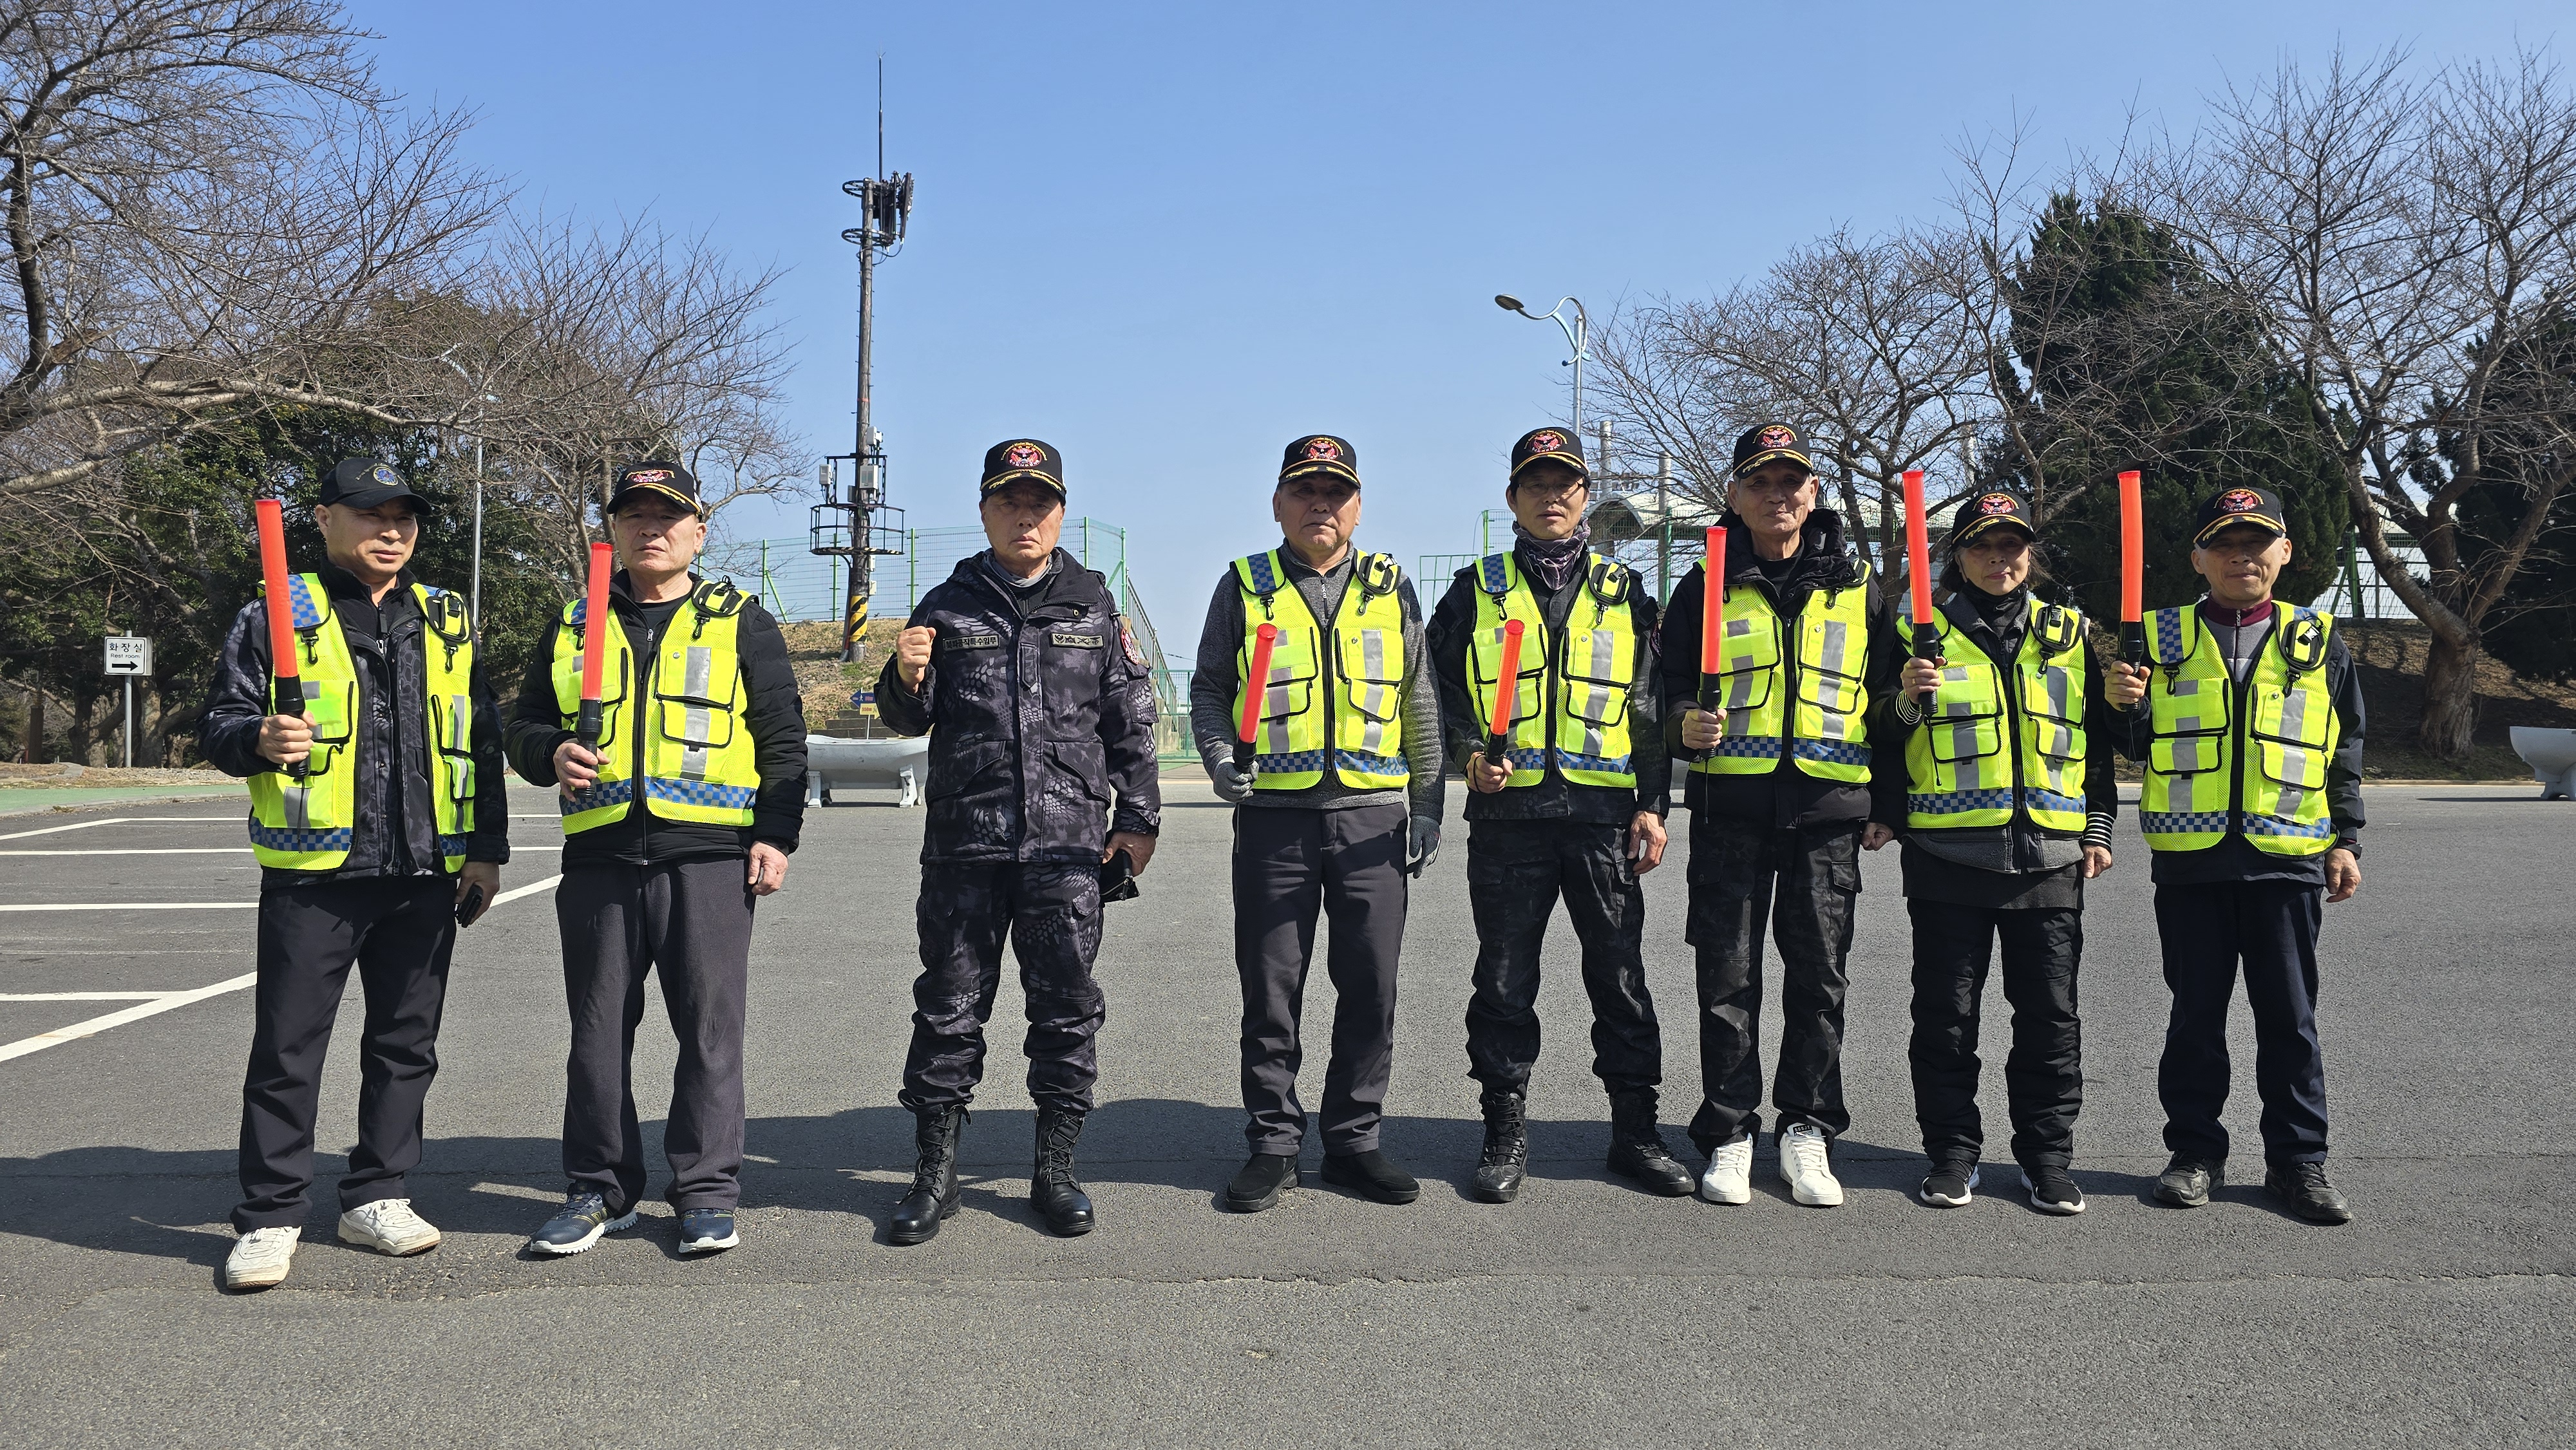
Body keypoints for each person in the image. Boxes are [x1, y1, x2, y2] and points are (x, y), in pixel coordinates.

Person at [200, 459, 509, 1291]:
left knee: (406, 1045)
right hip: (316, 875)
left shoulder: (445, 618)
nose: (391, 530)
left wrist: (486, 850)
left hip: (425, 869)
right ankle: (270, 1214)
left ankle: (378, 1193)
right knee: (287, 1049)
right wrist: (256, 738)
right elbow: (218, 722)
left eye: (404, 517)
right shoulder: (275, 612)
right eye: (372, 514)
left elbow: (479, 737)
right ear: (325, 518)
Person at [506, 461, 807, 1257]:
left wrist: (776, 835)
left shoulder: (740, 620)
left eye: (668, 516)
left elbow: (783, 737)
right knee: (597, 1035)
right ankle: (599, 1190)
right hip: (599, 857)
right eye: (634, 513)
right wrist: (549, 750)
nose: (651, 527)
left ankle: (705, 1191)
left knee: (709, 1030)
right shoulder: (574, 623)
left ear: (698, 532)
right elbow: (523, 724)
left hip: (709, 857)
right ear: (614, 529)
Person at [874, 439, 1162, 1242]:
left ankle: (1056, 1171)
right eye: (1008, 501)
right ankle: (934, 1174)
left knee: (1066, 1009)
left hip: (1068, 848)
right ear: (984, 511)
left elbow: (1131, 721)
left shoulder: (1093, 605)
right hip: (964, 847)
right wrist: (903, 675)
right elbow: (906, 717)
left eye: (1039, 502)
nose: (1024, 516)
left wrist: (1137, 822)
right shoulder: (947, 603)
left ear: (1060, 512)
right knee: (948, 1008)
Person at [1426, 427, 1690, 1203]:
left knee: (1620, 977)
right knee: (1504, 982)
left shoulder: (1625, 592)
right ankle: (1503, 1130)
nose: (1551, 497)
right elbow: (1436, 693)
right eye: (1536, 484)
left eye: (1564, 484)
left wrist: (1652, 805)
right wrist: (1468, 756)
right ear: (1512, 497)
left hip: (1602, 817)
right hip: (1508, 820)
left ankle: (1635, 1131)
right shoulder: (1474, 591)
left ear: (1585, 498)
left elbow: (1648, 707)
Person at [1190, 434, 1443, 1213]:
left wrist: (1429, 801)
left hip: (1371, 819)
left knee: (1371, 986)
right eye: (1304, 490)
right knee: (1271, 989)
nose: (1320, 505)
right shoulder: (1244, 586)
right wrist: (1218, 760)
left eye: (1335, 492)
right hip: (1275, 822)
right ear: (1278, 504)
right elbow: (1208, 689)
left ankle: (1354, 1139)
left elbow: (1419, 697)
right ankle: (1273, 1142)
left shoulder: (1391, 588)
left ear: (1357, 506)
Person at [2107, 484, 2364, 1225]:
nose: (2240, 555)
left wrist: (2345, 839)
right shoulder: (2156, 638)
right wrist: (2120, 704)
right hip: (2191, 861)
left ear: (2285, 550)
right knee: (2194, 1019)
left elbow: (2343, 745)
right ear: (2198, 558)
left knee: (2290, 1020)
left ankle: (2298, 1162)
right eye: (2223, 543)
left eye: (2255, 541)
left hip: (2286, 858)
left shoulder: (2316, 639)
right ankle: (2194, 1153)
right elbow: (2128, 745)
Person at [1663, 422, 1906, 1208]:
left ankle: (1807, 1127)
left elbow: (1886, 699)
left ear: (1812, 492)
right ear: (1733, 494)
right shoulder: (1704, 585)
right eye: (1760, 481)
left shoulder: (1857, 586)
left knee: (1819, 978)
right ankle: (1730, 1129)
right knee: (1726, 979)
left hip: (1828, 814)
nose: (1777, 494)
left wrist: (1888, 803)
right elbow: (1665, 690)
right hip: (1730, 808)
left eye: (1790, 481)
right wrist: (1681, 723)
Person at [1882, 488, 2118, 1214]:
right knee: (1946, 1020)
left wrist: (2098, 827)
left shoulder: (2068, 632)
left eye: (2011, 545)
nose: (1998, 558)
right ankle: (1952, 1155)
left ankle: (2047, 1160)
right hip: (1947, 857)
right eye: (1981, 546)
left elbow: (2096, 739)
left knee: (2050, 1022)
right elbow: (1879, 734)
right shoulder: (1915, 630)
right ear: (1957, 557)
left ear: (2029, 554)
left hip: (2049, 859)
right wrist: (1905, 698)